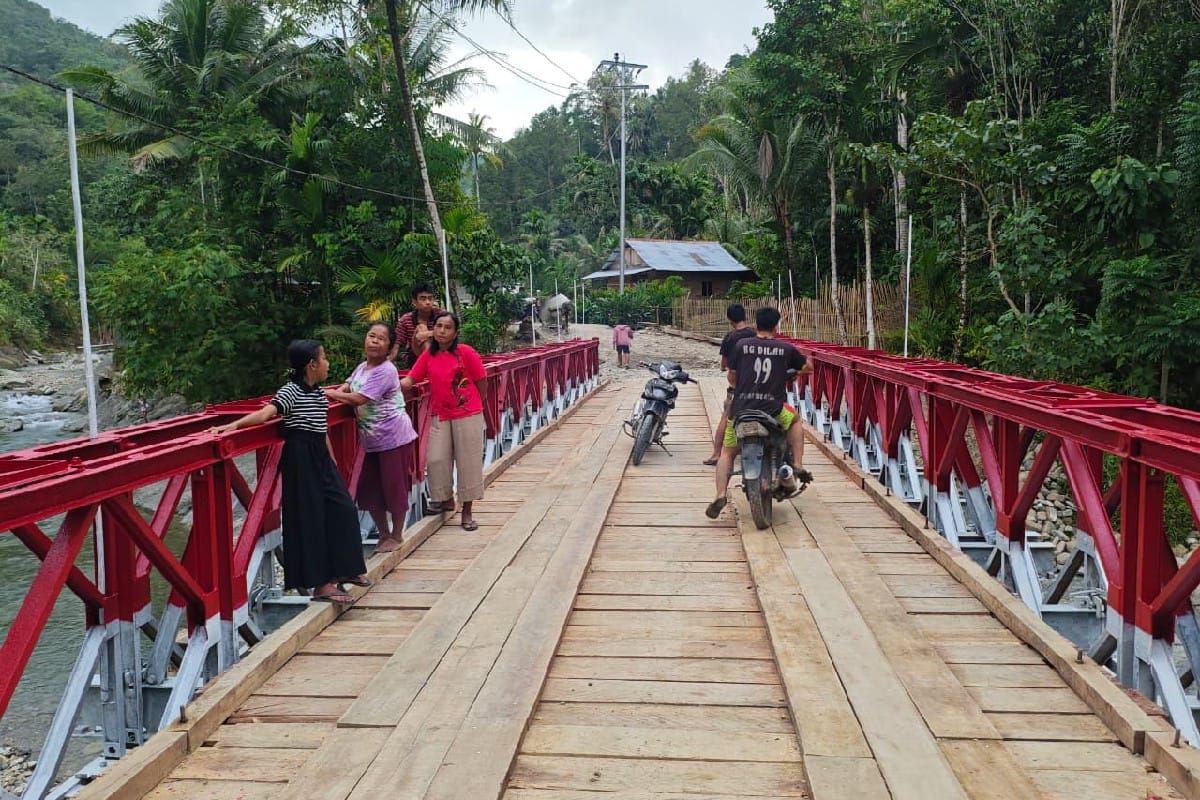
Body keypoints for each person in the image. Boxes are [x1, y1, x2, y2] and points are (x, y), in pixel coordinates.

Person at [210, 339, 369, 604]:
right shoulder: (290, 392)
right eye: (324, 358)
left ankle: (347, 569)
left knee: (343, 508)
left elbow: (322, 429)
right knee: (311, 519)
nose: (328, 363)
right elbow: (265, 415)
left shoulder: (318, 393)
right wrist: (231, 427)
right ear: (312, 364)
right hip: (300, 457)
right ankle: (322, 585)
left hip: (319, 455)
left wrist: (332, 462)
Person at [706, 307, 812, 519]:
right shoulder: (785, 348)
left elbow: (732, 377)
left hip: (741, 409)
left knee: (727, 453)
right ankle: (798, 464)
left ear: (756, 324)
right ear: (776, 325)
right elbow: (807, 367)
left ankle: (719, 494)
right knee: (796, 420)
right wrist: (792, 371)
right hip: (773, 409)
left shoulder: (741, 345)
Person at [326, 322, 418, 554]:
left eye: (381, 339)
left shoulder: (386, 370)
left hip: (394, 436)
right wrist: (330, 393)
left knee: (394, 487)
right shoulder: (362, 367)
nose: (374, 341)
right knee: (370, 488)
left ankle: (396, 536)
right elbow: (348, 386)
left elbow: (358, 398)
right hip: (372, 440)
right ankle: (383, 534)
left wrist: (328, 393)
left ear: (389, 348)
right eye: (371, 336)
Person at [401, 312, 488, 530]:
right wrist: (386, 382)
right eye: (438, 326)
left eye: (447, 327)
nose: (441, 330)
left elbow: (482, 381)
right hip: (441, 413)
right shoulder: (428, 355)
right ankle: (445, 498)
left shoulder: (465, 352)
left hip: (467, 413)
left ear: (455, 332)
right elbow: (412, 378)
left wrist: (476, 405)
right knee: (436, 458)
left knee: (468, 461)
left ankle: (466, 510)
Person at [704, 304, 757, 466]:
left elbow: (724, 363)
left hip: (737, 386)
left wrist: (723, 367)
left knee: (726, 418)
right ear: (745, 316)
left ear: (729, 319)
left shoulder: (729, 338)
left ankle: (716, 453)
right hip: (757, 385)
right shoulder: (755, 334)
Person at [391, 283, 443, 368]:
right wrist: (388, 363)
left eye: (430, 298)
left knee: (422, 330)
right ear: (414, 302)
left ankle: (432, 365)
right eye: (423, 299)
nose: (427, 302)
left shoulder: (441, 315)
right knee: (421, 328)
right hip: (415, 359)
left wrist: (427, 334)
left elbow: (451, 335)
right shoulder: (406, 319)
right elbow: (396, 345)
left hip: (440, 355)